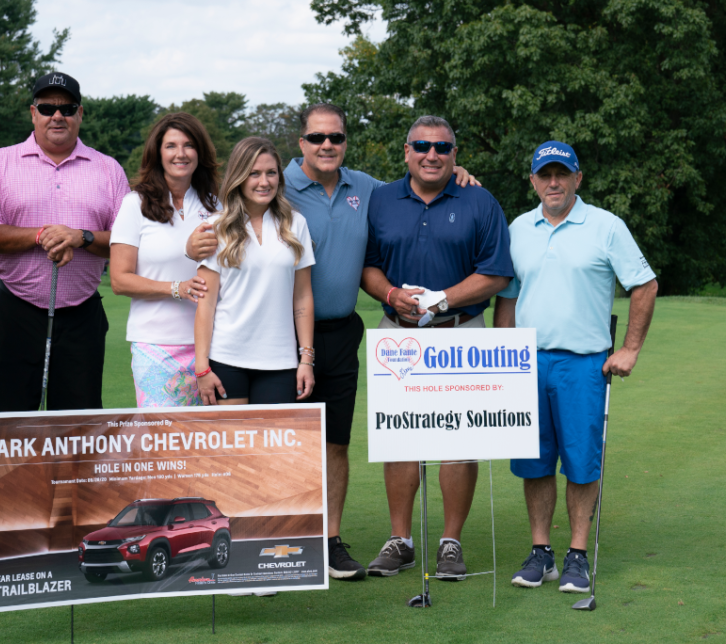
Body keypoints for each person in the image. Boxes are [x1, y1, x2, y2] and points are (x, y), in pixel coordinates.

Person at [186, 104, 481, 581]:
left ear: (345, 142)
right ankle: (263, 541)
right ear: (300, 142)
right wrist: (192, 247)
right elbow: (219, 235)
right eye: (317, 137)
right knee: (274, 446)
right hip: (276, 340)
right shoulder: (275, 183)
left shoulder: (367, 189)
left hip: (339, 333)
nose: (327, 145)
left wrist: (455, 171)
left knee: (335, 443)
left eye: (337, 138)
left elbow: (420, 177)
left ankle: (329, 541)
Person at [494, 141, 658, 594]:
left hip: (584, 364)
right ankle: (541, 552)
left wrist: (630, 349)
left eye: (561, 175)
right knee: (535, 463)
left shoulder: (606, 226)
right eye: (544, 175)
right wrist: (503, 356)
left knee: (582, 464)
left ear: (577, 179)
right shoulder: (518, 228)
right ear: (532, 181)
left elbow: (645, 284)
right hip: (527, 363)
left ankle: (577, 556)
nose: (553, 182)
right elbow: (507, 296)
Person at [361, 114, 512, 579]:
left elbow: (496, 272)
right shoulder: (381, 198)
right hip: (398, 332)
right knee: (400, 434)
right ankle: (400, 540)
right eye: (422, 146)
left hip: (461, 331)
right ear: (406, 151)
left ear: (455, 154)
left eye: (442, 148)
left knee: (458, 437)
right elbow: (367, 266)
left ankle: (450, 542)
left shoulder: (479, 200)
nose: (432, 154)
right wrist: (389, 295)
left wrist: (443, 298)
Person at [0, 72, 130, 412]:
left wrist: (81, 237)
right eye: (47, 108)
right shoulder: (0, 162)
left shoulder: (109, 169)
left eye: (67, 108)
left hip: (82, 316)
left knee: (78, 432)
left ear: (80, 114)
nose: (57, 116)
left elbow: (128, 243)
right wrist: (41, 235)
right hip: (16, 311)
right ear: (33, 113)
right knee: (4, 426)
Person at [193, 137, 316, 407]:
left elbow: (303, 297)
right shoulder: (215, 227)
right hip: (226, 359)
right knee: (231, 449)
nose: (264, 182)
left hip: (280, 362)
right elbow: (206, 303)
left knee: (271, 450)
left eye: (271, 172)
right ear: (239, 176)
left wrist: (306, 359)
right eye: (254, 173)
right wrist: (202, 367)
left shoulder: (296, 224)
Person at [109, 113, 220, 406]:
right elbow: (119, 280)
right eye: (171, 146)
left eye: (189, 145)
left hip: (215, 346)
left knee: (207, 448)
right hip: (157, 347)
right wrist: (177, 288)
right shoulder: (135, 205)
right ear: (158, 153)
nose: (180, 154)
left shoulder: (218, 203)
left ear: (200, 152)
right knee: (163, 443)